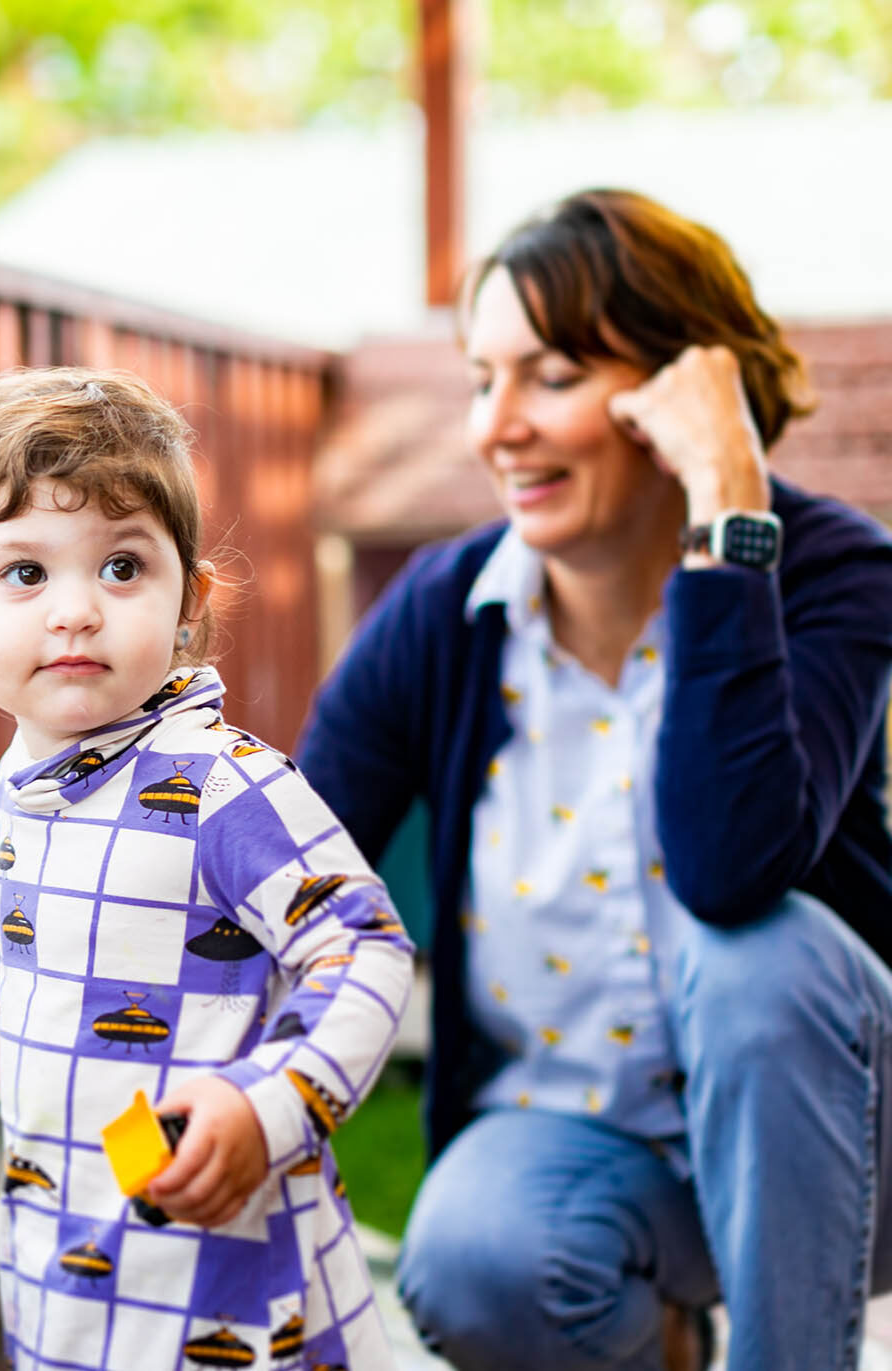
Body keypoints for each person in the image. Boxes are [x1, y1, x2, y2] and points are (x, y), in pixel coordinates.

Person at [296, 189, 892, 1371]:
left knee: (755, 957)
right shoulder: (443, 610)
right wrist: (39, 1010)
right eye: (481, 379)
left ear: (681, 393)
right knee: (474, 1257)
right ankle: (660, 1341)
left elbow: (730, 869)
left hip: (848, 1150)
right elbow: (284, 878)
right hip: (584, 1150)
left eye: (551, 376)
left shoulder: (833, 573)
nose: (496, 426)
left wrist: (729, 509)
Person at [0, 367, 415, 1371]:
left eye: (121, 568)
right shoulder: (43, 781)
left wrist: (271, 1104)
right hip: (72, 1261)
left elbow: (367, 948)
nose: (76, 610)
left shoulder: (221, 786)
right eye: (25, 573)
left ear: (188, 604)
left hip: (225, 1277)